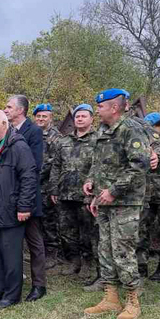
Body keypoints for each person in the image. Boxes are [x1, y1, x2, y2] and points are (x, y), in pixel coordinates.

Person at [83, 89, 150, 319]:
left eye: (100, 106)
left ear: (114, 107)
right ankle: (111, 298)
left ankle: (133, 300)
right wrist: (92, 186)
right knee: (105, 249)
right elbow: (99, 164)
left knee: (123, 250)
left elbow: (139, 166)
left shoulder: (131, 129)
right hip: (104, 201)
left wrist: (113, 191)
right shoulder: (103, 130)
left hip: (125, 201)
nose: (97, 110)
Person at [0, 110, 37, 310]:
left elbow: (28, 177)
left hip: (8, 208)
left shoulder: (17, 146)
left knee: (10, 254)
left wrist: (24, 206)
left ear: (4, 124)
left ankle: (12, 294)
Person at [5, 94, 48, 302]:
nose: (6, 110)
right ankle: (14, 280)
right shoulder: (6, 130)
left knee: (34, 242)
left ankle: (39, 285)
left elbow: (34, 166)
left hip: (27, 196)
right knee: (13, 243)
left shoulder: (34, 131)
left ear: (20, 110)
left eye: (9, 107)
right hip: (8, 196)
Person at [48, 104, 98, 284]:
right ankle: (73, 260)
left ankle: (87, 263)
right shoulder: (64, 141)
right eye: (77, 116)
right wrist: (54, 188)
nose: (80, 119)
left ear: (91, 119)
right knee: (66, 231)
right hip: (65, 193)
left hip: (86, 195)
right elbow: (56, 166)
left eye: (84, 116)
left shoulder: (98, 140)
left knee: (87, 231)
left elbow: (100, 167)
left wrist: (95, 191)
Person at [140, 113, 160, 282]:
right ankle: (141, 266)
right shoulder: (143, 140)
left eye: (151, 127)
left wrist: (157, 158)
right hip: (146, 194)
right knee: (141, 230)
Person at [34, 103, 63, 273]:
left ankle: (52, 254)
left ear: (50, 118)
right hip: (35, 184)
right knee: (38, 220)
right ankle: (41, 251)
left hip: (47, 184)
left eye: (44, 116)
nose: (41, 119)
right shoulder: (34, 134)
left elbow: (53, 162)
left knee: (49, 220)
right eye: (38, 116)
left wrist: (35, 175)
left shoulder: (55, 137)